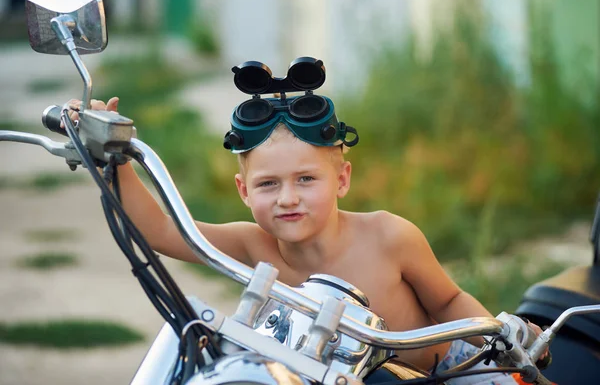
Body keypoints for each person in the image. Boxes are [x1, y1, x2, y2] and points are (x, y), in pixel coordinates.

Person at [68, 86, 545, 384]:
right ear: (243, 191)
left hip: (438, 372)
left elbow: (447, 300)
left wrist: (506, 340)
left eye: (306, 180)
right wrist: (115, 159)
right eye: (268, 185)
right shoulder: (254, 244)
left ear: (341, 180)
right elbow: (165, 233)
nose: (287, 198)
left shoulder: (388, 235)